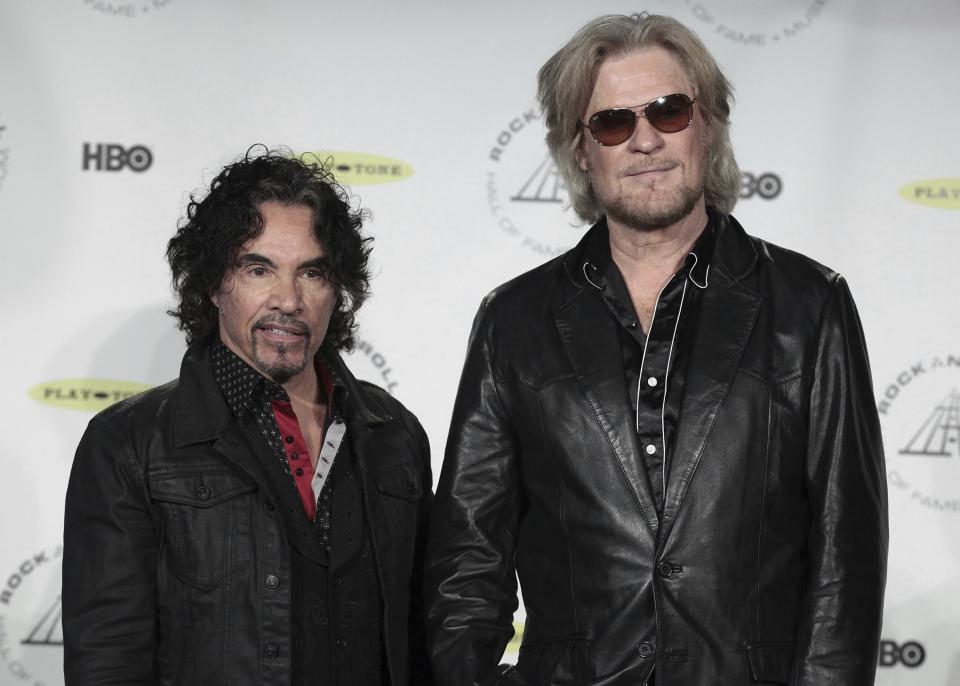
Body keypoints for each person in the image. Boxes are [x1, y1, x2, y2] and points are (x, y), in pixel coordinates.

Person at [426, 13, 887, 686]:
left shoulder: (808, 307)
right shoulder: (514, 322)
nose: (644, 140)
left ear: (709, 124)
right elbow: (469, 557)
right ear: (582, 150)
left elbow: (845, 557)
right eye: (612, 122)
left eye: (669, 111)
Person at [63, 149, 433, 686]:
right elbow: (108, 661)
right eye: (259, 268)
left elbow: (421, 640)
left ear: (339, 290)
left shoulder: (393, 432)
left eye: (313, 272)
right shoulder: (129, 444)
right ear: (214, 283)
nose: (288, 299)